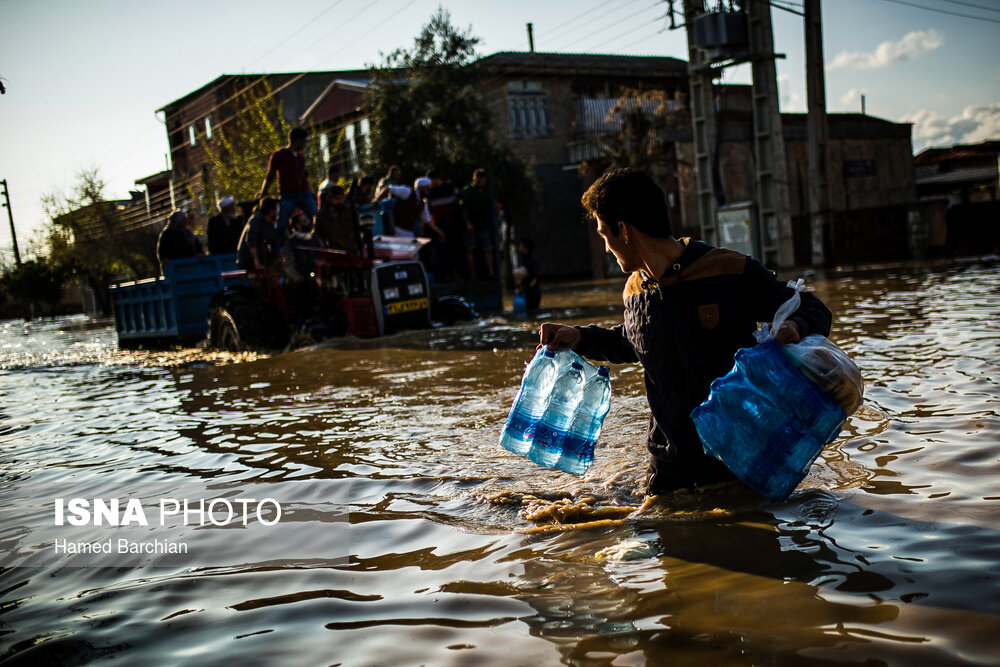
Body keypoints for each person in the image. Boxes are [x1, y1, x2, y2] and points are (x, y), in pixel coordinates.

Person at [538, 168, 833, 496]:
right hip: (668, 470)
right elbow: (634, 341)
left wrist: (793, 327)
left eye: (603, 233)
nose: (605, 247)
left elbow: (812, 307)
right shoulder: (635, 291)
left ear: (623, 230)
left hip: (739, 465)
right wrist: (579, 338)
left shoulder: (727, 270)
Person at [257, 127, 317, 240]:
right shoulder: (279, 155)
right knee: (282, 222)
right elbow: (270, 175)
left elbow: (303, 174)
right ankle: (276, 246)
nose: (305, 145)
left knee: (316, 217)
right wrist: (264, 192)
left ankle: (319, 240)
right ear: (298, 141)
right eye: (304, 141)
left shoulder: (300, 156)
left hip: (304, 192)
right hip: (289, 194)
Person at [459, 168, 501, 279]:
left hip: (484, 225)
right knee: (471, 249)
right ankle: (473, 273)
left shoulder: (487, 191)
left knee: (488, 249)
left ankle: (491, 272)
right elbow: (464, 209)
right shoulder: (467, 192)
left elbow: (492, 203)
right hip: (472, 226)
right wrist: (467, 223)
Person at [426, 169, 461, 279]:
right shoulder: (430, 192)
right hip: (438, 226)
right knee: (441, 251)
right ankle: (444, 275)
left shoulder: (449, 187)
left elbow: (458, 201)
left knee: (454, 249)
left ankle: (455, 273)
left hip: (451, 224)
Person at [237, 197, 280, 271]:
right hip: (249, 260)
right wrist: (257, 263)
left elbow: (274, 243)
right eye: (276, 209)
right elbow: (251, 242)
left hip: (262, 257)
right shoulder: (256, 221)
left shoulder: (269, 224)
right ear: (271, 211)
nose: (277, 212)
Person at [315, 184, 358, 253]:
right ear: (329, 199)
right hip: (332, 252)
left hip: (351, 251)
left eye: (341, 198)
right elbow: (318, 235)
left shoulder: (350, 212)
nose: (340, 202)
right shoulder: (321, 216)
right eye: (336, 199)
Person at [156, 209, 203, 273]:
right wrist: (164, 260)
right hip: (174, 269)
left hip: (190, 267)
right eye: (183, 219)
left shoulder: (188, 233)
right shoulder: (167, 234)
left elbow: (197, 247)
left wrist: (200, 254)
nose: (186, 221)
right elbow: (162, 251)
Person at [516, 237, 541, 309]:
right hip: (527, 292)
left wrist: (526, 288)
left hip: (533, 294)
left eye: (520, 246)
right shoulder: (525, 258)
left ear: (525, 248)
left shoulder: (532, 260)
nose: (519, 248)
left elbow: (535, 278)